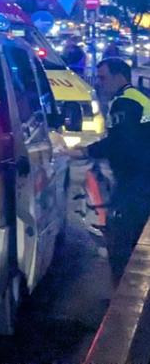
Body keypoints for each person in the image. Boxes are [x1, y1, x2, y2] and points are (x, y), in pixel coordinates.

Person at [75, 57, 150, 283]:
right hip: (141, 175)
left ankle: (123, 288)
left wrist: (87, 151)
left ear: (120, 76)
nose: (99, 83)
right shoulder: (138, 96)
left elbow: (121, 142)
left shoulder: (125, 103)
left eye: (103, 77)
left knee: (121, 237)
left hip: (135, 179)